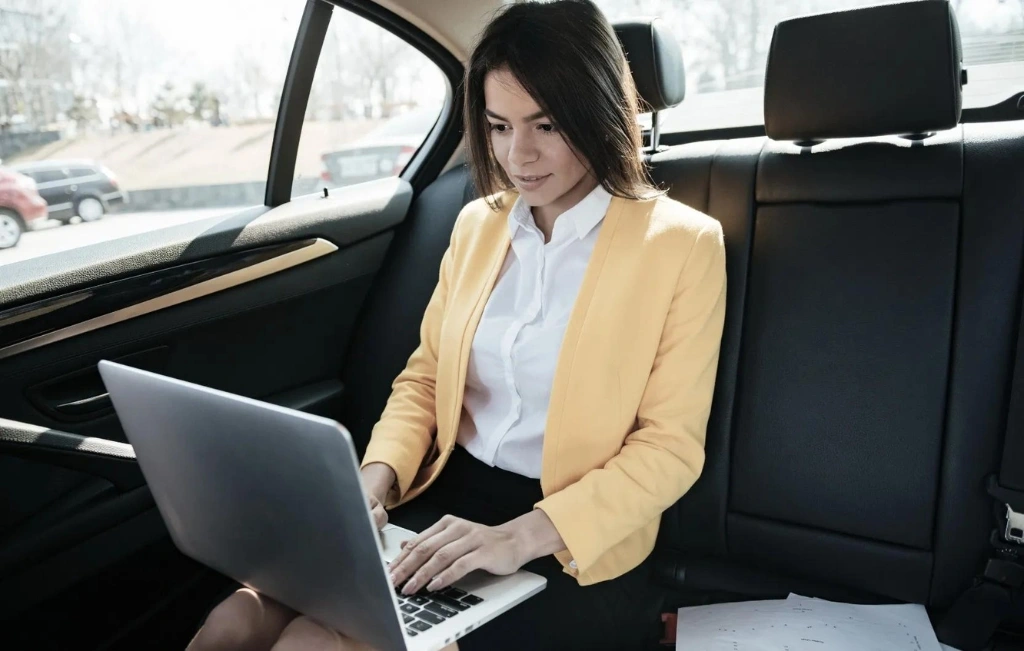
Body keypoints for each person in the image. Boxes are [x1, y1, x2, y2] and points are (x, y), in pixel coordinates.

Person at [187, 1, 726, 649]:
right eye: (498, 125)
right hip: (442, 499)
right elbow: (425, 378)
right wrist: (374, 477)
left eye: (546, 124)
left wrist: (517, 536)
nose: (517, 154)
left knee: (311, 642)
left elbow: (669, 448)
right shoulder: (478, 225)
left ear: (598, 112)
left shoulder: (682, 245)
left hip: (570, 536)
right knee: (235, 621)